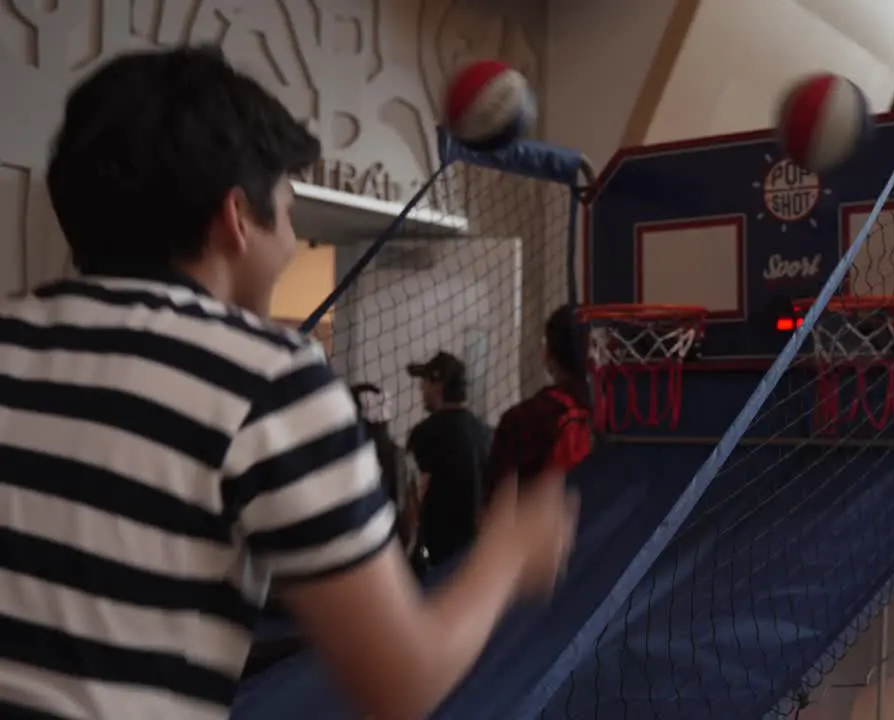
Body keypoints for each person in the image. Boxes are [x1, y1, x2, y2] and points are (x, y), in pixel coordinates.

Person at [0, 46, 577, 720]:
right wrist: (506, 557)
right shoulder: (267, 377)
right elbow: (400, 682)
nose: (293, 240)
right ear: (236, 218)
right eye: (289, 209)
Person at [487, 305, 594, 490]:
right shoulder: (616, 420)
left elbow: (495, 504)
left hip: (539, 516)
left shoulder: (521, 420)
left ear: (547, 354)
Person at [406, 352, 492, 570]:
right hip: (479, 555)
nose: (420, 390)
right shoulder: (486, 433)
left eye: (424, 381)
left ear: (438, 385)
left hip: (439, 558)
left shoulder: (426, 434)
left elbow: (416, 495)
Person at [351, 383, 415, 550]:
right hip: (396, 547)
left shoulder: (352, 460)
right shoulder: (400, 456)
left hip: (360, 550)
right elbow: (410, 511)